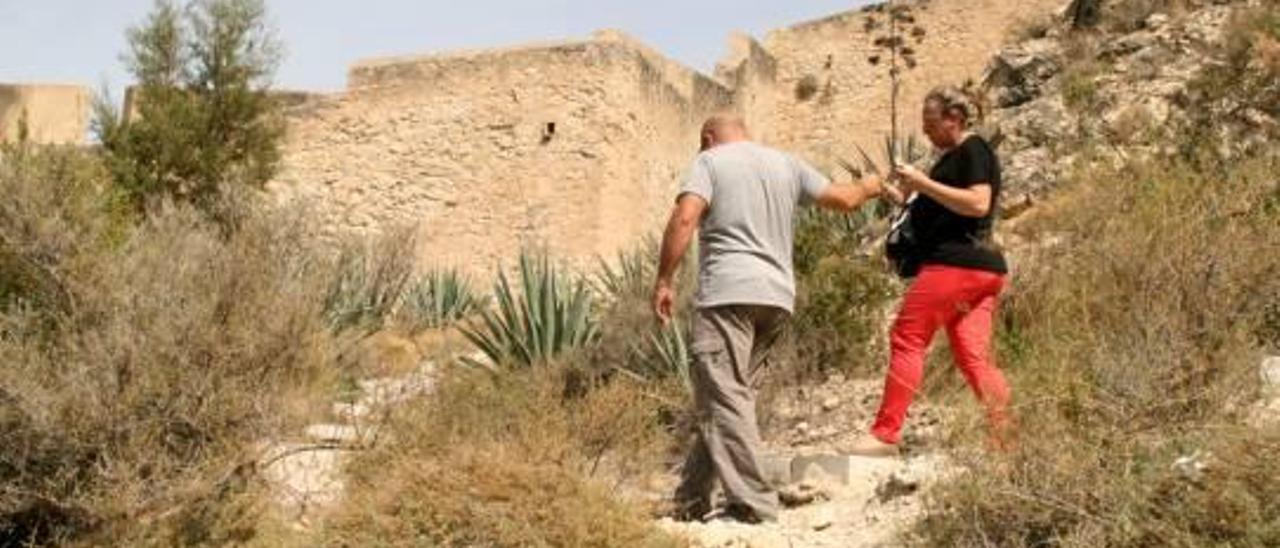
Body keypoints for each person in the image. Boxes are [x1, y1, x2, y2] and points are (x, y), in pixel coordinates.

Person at [652, 112, 883, 523]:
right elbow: (844, 201)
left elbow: (685, 218)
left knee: (725, 396)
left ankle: (754, 503)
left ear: (708, 138)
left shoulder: (710, 162)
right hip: (776, 299)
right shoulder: (786, 163)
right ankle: (690, 500)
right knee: (727, 398)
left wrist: (665, 280)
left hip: (727, 293)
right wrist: (869, 186)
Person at [847, 86, 1012, 457]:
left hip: (955, 265)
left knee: (908, 337)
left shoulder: (973, 149)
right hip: (983, 271)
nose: (926, 132)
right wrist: (905, 196)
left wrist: (922, 182)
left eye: (931, 123)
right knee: (974, 358)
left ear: (954, 119)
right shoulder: (953, 157)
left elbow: (978, 203)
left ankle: (885, 434)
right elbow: (942, 207)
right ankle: (1006, 442)